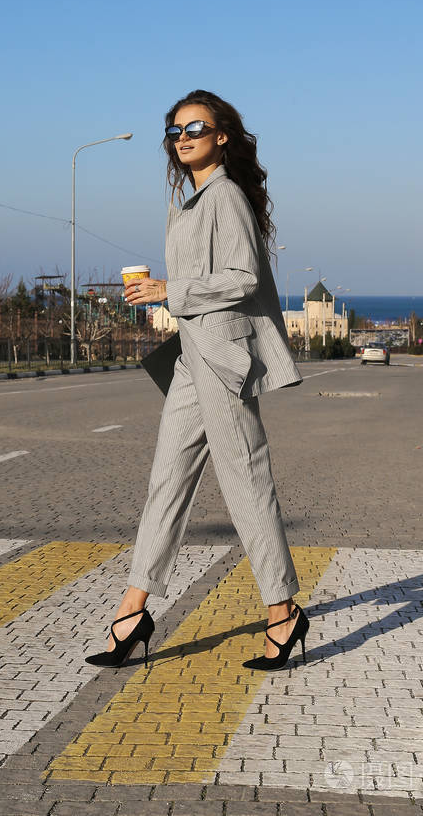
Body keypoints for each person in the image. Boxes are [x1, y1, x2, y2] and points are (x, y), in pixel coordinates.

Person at [85, 90, 308, 671]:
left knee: (246, 484)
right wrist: (165, 293)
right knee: (168, 480)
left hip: (221, 358)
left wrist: (167, 291)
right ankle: (134, 609)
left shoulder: (226, 197)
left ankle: (283, 611)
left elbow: (242, 277)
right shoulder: (191, 199)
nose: (183, 138)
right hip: (192, 355)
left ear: (222, 135)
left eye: (195, 128)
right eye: (175, 130)